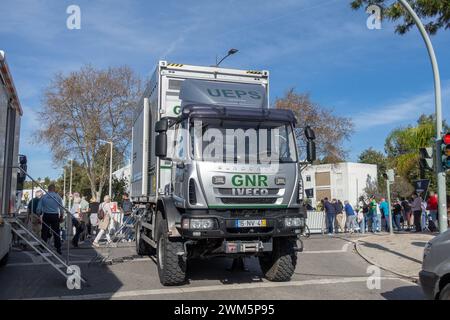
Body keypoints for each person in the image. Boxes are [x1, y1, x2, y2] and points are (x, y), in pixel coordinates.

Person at [36, 184, 64, 255]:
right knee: (56, 232)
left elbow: (39, 208)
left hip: (46, 215)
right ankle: (58, 248)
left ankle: (42, 247)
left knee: (44, 232)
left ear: (48, 189)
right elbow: (61, 208)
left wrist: (39, 216)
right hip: (54, 215)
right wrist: (61, 216)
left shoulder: (44, 197)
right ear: (54, 189)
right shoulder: (58, 197)